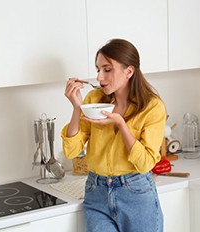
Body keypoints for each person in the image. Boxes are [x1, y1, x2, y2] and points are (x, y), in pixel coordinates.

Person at [61, 38, 166, 232]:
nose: (100, 77)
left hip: (136, 193)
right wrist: (77, 108)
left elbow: (145, 164)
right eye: (98, 70)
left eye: (107, 70)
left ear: (129, 71)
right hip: (96, 192)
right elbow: (71, 150)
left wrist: (121, 124)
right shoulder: (94, 100)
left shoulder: (152, 107)